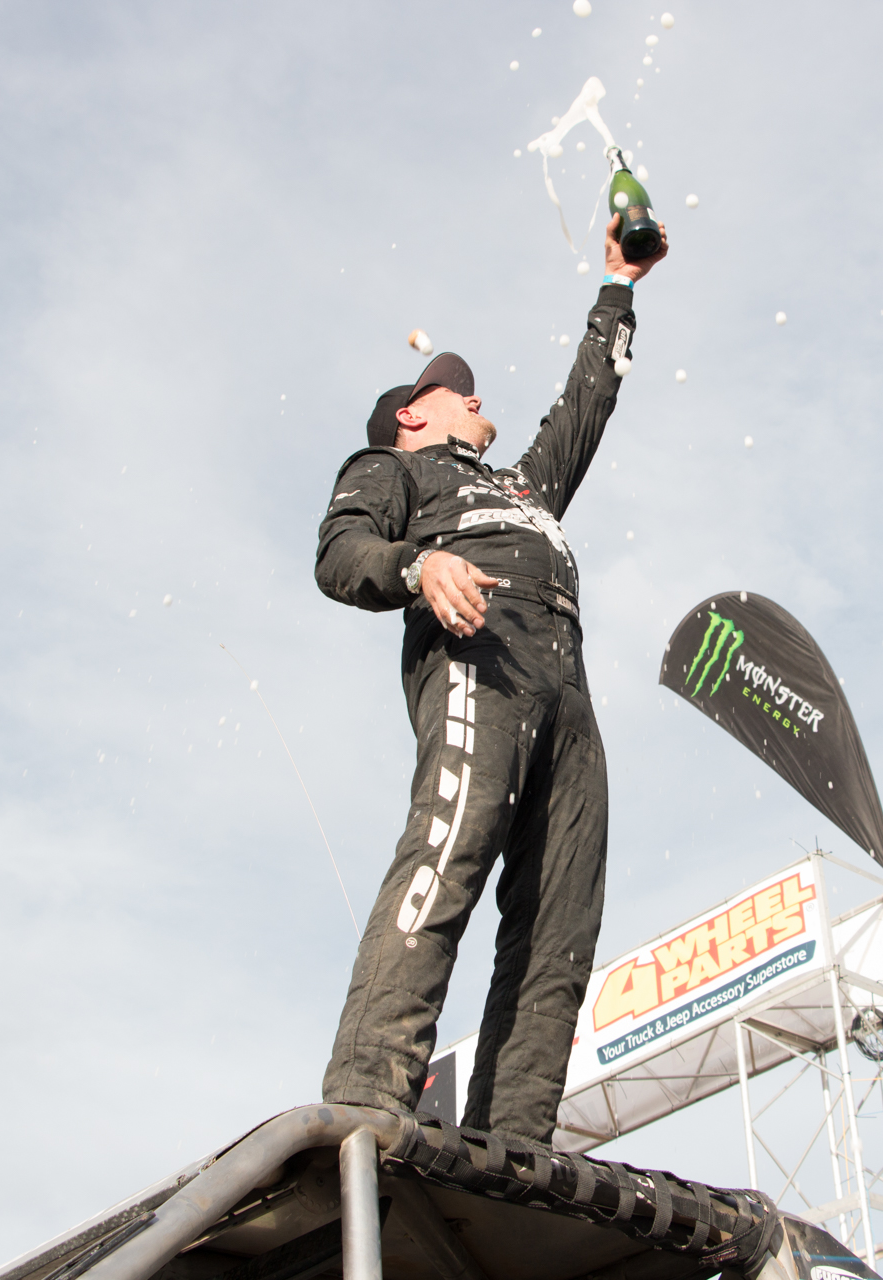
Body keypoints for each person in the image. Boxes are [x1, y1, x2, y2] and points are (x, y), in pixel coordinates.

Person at [313, 214, 669, 1144]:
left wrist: (619, 285)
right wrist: (416, 569)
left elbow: (586, 401)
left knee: (562, 916)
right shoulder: (395, 470)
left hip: (568, 692)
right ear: (411, 415)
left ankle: (513, 1140)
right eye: (454, 394)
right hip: (480, 661)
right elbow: (341, 553)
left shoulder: (520, 488)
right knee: (449, 859)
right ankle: (367, 1101)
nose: (476, 402)